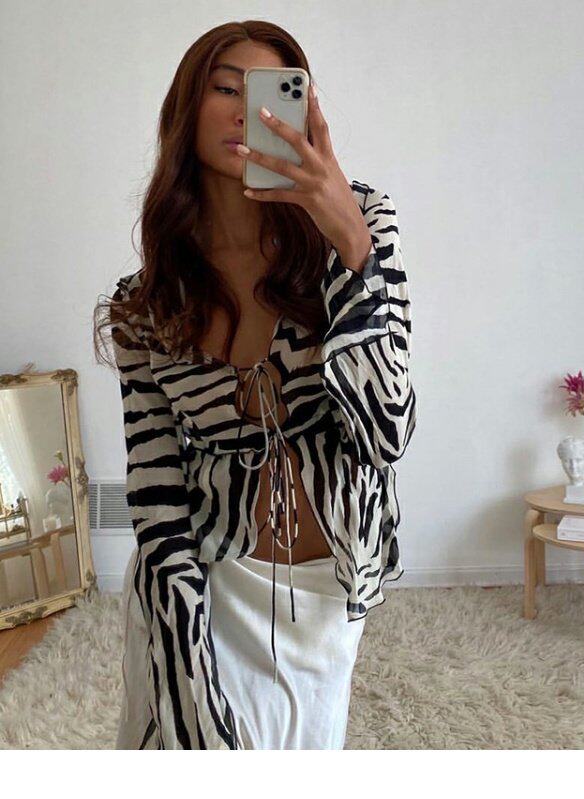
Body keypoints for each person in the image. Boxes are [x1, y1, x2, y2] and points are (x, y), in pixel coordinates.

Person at [93, 19, 416, 750]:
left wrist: (350, 245)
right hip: (205, 582)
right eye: (225, 89)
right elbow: (154, 484)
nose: (247, 111)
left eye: (270, 93)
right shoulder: (145, 301)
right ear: (186, 110)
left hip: (325, 589)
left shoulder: (362, 222)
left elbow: (387, 430)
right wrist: (183, 643)